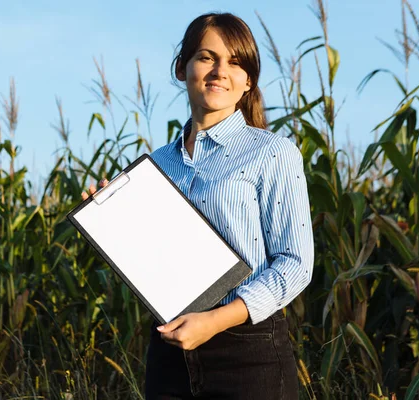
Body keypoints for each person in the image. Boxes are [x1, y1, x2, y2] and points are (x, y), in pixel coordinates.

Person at [84, 12, 313, 400]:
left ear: (248, 81)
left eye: (235, 62)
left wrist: (215, 321)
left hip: (250, 354)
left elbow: (296, 263)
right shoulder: (155, 165)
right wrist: (109, 219)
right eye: (207, 57)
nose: (220, 71)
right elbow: (152, 258)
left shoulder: (273, 152)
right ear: (182, 67)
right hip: (170, 355)